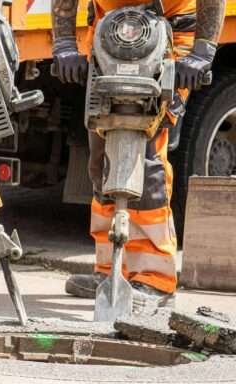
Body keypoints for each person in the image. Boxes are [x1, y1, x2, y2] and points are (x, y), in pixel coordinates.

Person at [51, 0, 226, 311]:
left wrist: (202, 53)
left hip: (170, 31)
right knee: (102, 151)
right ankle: (110, 271)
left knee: (146, 152)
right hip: (111, 29)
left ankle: (154, 276)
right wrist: (64, 44)